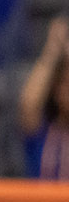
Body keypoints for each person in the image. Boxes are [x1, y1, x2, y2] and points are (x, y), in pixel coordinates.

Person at [19, 14, 69, 179]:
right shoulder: (43, 133)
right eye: (65, 84)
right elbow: (29, 104)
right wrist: (52, 50)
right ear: (55, 90)